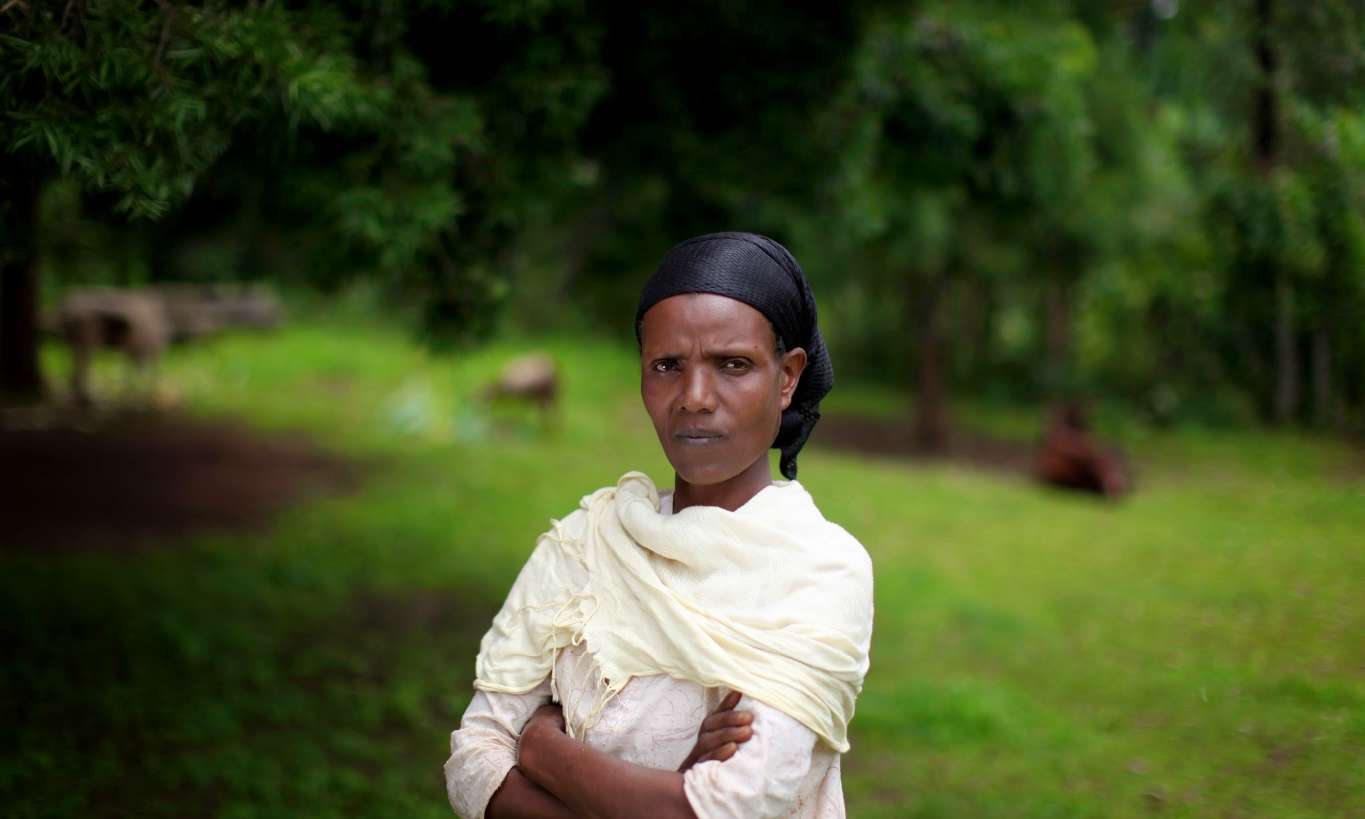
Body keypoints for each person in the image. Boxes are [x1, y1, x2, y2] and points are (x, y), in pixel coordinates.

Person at [443, 232, 874, 818]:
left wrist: (543, 747)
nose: (694, 397)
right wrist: (670, 784)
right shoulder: (587, 542)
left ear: (788, 377)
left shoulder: (820, 571)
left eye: (733, 365)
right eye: (668, 365)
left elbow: (724, 809)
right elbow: (474, 759)